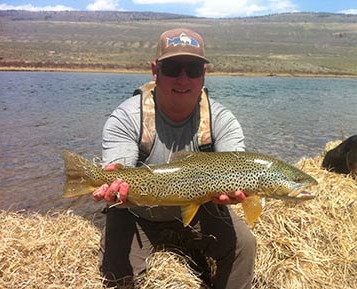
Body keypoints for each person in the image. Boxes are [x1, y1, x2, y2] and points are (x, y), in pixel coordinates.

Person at [92, 28, 256, 289]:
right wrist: (112, 184)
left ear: (203, 74)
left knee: (244, 246)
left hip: (200, 207)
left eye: (192, 69)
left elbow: (238, 165)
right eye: (172, 68)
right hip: (136, 211)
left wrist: (239, 192)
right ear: (155, 71)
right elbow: (118, 168)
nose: (183, 79)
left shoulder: (222, 120)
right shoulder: (126, 117)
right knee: (118, 275)